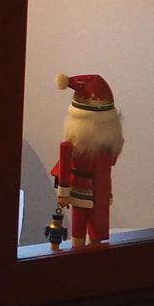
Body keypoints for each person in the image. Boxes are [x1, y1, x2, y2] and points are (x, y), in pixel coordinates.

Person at [52, 73, 123, 245]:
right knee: (78, 225)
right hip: (80, 187)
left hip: (101, 190)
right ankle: (78, 249)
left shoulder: (110, 144)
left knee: (98, 228)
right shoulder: (72, 146)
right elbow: (65, 166)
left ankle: (94, 249)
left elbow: (111, 161)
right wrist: (63, 193)